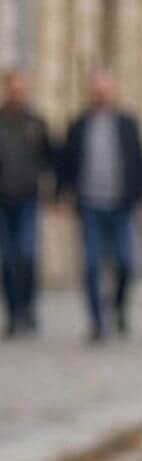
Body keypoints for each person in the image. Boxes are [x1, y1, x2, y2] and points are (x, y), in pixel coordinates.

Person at [59, 71, 142, 342]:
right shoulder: (78, 125)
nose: (101, 94)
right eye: (97, 90)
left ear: (113, 93)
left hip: (121, 205)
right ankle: (97, 323)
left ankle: (119, 307)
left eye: (105, 90)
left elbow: (139, 163)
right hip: (89, 204)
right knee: (91, 264)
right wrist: (62, 195)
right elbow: (67, 162)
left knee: (125, 262)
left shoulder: (127, 124)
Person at [0, 70, 52, 336]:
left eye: (21, 88)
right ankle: (13, 313)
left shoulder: (36, 122)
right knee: (7, 260)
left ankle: (28, 309)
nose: (16, 92)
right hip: (3, 200)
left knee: (28, 256)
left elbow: (48, 158)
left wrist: (51, 191)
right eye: (12, 88)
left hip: (28, 199)